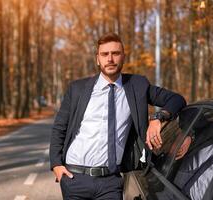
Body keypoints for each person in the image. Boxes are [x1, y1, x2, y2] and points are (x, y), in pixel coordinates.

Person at [50, 32, 186, 199]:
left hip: (111, 182)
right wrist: (56, 165)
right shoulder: (78, 89)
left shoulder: (137, 86)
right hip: (75, 178)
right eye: (104, 54)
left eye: (115, 53)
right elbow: (59, 128)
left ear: (123, 57)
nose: (110, 59)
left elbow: (176, 99)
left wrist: (158, 118)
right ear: (97, 59)